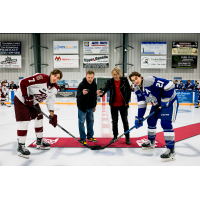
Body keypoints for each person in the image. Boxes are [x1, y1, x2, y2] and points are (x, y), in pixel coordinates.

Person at [129, 71, 179, 162]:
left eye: (136, 78)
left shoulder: (149, 81)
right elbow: (142, 104)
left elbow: (170, 85)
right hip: (157, 104)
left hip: (170, 102)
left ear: (140, 77)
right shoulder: (137, 89)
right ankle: (151, 142)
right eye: (133, 80)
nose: (135, 81)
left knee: (165, 123)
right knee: (151, 121)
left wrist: (165, 99)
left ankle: (171, 150)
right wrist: (139, 117)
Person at [13, 69, 63, 159]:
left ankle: (39, 141)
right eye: (55, 76)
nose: (56, 78)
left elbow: (50, 100)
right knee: (24, 122)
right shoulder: (41, 78)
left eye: (58, 78)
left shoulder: (55, 88)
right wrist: (25, 96)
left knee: (39, 118)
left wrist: (52, 114)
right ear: (51, 74)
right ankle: (21, 146)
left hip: (33, 102)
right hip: (21, 100)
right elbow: (23, 82)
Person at [97, 67, 131, 145]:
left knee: (125, 121)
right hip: (114, 105)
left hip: (123, 105)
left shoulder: (124, 80)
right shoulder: (110, 81)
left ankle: (127, 138)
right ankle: (115, 137)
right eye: (114, 74)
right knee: (114, 121)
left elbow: (129, 91)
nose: (115, 76)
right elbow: (105, 89)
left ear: (119, 74)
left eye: (116, 74)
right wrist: (101, 92)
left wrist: (127, 102)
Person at [76, 70, 98, 145]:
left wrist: (94, 105)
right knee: (81, 122)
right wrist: (82, 93)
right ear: (86, 77)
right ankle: (82, 138)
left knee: (91, 121)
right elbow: (77, 95)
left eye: (91, 77)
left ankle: (90, 136)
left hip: (91, 107)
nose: (90, 79)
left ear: (93, 77)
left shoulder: (94, 84)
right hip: (82, 107)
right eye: (88, 77)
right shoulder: (81, 85)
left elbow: (94, 96)